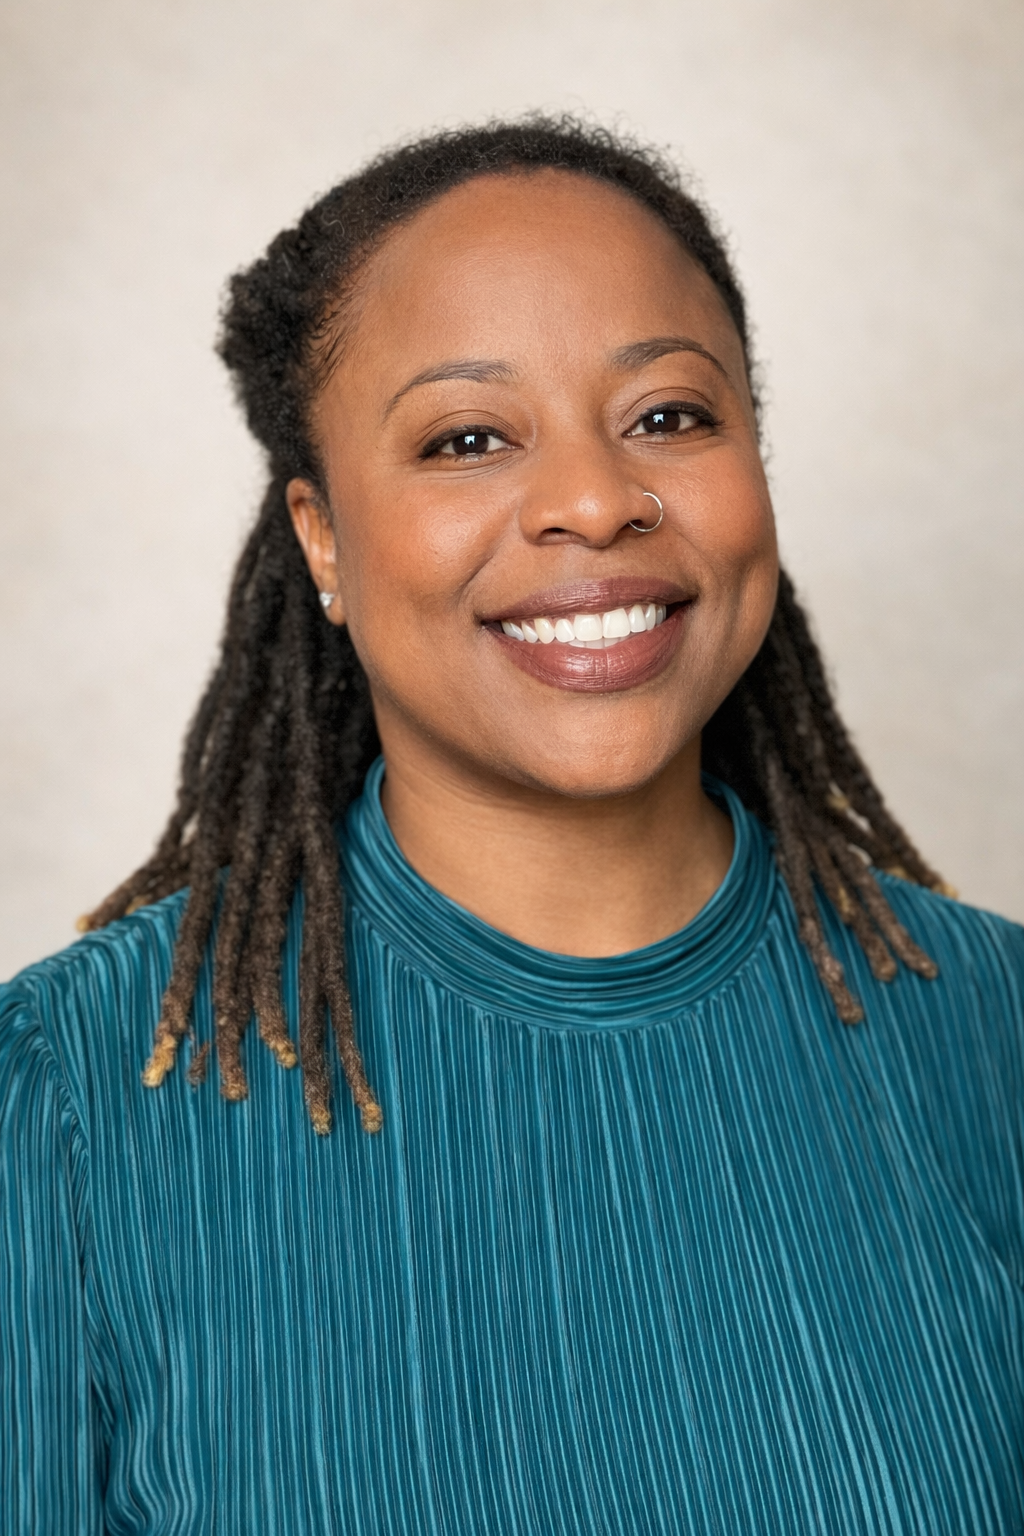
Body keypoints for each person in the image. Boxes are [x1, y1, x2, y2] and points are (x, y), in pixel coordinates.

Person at [1, 117, 1021, 1534]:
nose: (598, 500)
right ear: (323, 539)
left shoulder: (1000, 1035)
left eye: (671, 414)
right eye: (468, 437)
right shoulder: (64, 1099)